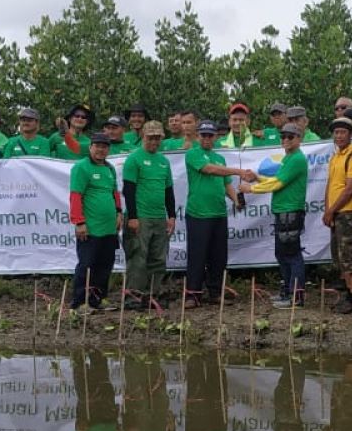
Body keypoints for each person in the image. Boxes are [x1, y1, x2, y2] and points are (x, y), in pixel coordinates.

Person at [184, 120, 255, 306]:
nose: (207, 138)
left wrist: (236, 200)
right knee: (197, 256)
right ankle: (193, 294)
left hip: (218, 214)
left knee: (218, 256)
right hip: (198, 213)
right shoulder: (192, 153)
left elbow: (226, 184)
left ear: (216, 137)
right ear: (198, 136)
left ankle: (215, 293)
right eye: (203, 135)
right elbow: (209, 170)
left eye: (210, 135)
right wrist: (238, 170)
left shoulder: (220, 158)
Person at [242, 122, 310, 307]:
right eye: (283, 136)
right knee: (282, 253)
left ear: (299, 139)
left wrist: (251, 188)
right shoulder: (288, 158)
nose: (285, 140)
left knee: (291, 254)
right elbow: (276, 180)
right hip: (283, 212)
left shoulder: (296, 159)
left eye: (290, 137)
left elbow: (277, 184)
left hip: (290, 212)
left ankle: (296, 296)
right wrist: (257, 178)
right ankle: (288, 292)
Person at [123, 120, 175, 306]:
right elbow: (128, 190)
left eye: (157, 138)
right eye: (150, 138)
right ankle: (134, 295)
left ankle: (152, 294)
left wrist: (172, 216)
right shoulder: (134, 158)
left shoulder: (163, 161)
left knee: (158, 258)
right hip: (141, 217)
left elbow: (169, 190)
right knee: (138, 257)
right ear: (143, 137)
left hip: (159, 217)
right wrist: (134, 217)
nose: (154, 142)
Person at [69, 133, 122, 311]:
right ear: (90, 147)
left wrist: (119, 212)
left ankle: (98, 299)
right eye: (97, 146)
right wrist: (79, 222)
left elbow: (114, 193)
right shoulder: (81, 167)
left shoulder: (110, 168)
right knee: (86, 265)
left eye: (104, 146)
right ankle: (79, 302)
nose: (101, 150)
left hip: (109, 228)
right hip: (91, 228)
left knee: (105, 265)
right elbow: (76, 196)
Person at [323, 115, 352, 313]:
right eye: (336, 132)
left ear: (351, 134)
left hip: (349, 213)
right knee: (340, 258)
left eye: (343, 132)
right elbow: (330, 186)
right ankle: (347, 296)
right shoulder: (335, 157)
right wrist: (328, 210)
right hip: (336, 214)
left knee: (350, 257)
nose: (339, 135)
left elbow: (350, 189)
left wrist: (331, 210)